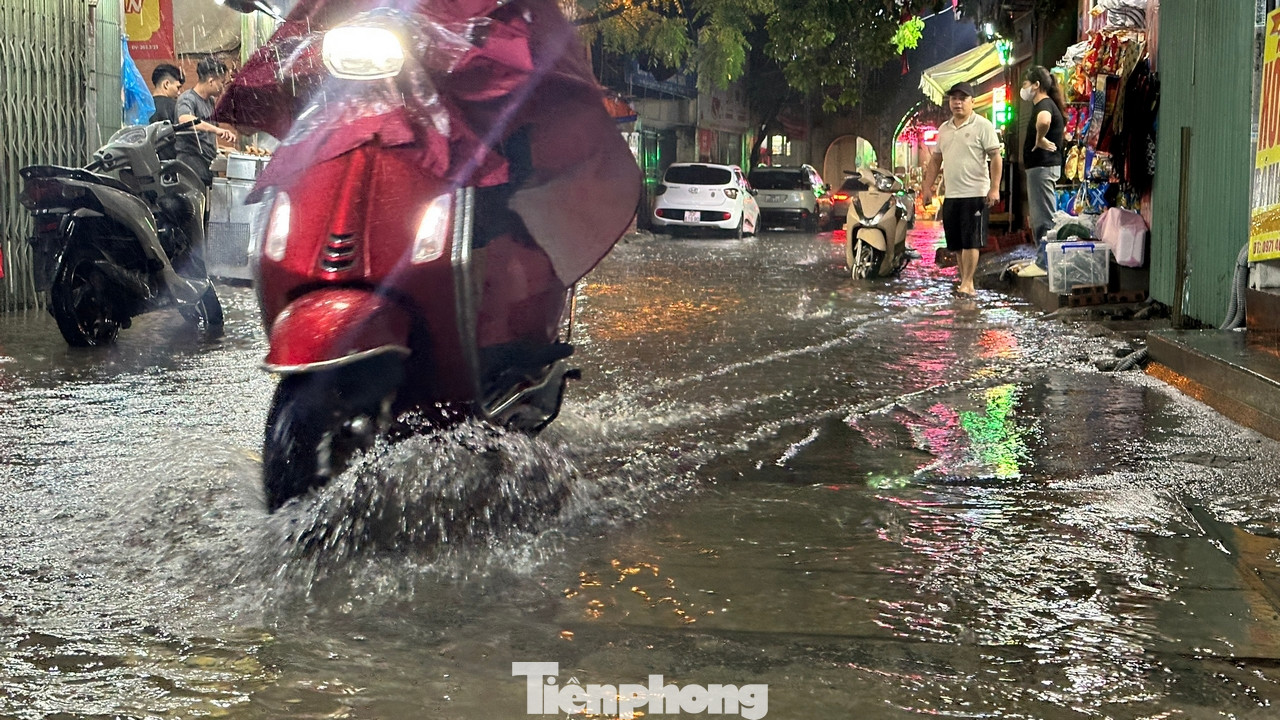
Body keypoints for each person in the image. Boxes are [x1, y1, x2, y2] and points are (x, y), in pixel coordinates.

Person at [921, 81, 1003, 297]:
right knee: (957, 243)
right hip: (952, 194)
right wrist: (927, 188)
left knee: (971, 241)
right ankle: (965, 281)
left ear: (972, 101)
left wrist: (994, 188)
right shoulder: (944, 129)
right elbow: (935, 161)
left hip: (975, 193)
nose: (957, 102)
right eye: (954, 98)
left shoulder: (983, 126)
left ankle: (967, 282)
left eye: (962, 98)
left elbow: (996, 157)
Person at [1020, 65, 1066, 244]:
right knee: (1041, 217)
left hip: (1042, 168)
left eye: (1025, 84)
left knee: (1043, 220)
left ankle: (1044, 261)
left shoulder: (1044, 104)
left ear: (1036, 85)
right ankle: (1043, 259)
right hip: (1040, 169)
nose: (1023, 89)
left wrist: (1040, 139)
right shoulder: (1046, 103)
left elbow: (1044, 120)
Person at [175, 56, 236, 188]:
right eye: (222, 82)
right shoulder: (187, 99)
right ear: (211, 81)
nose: (222, 88)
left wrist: (220, 150)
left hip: (207, 165)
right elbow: (184, 119)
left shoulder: (210, 102)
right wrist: (216, 130)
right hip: (191, 167)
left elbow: (208, 137)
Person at [148, 63, 185, 159]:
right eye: (178, 87)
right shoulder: (176, 106)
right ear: (166, 84)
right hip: (170, 166)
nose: (179, 92)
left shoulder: (144, 106)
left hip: (147, 164)